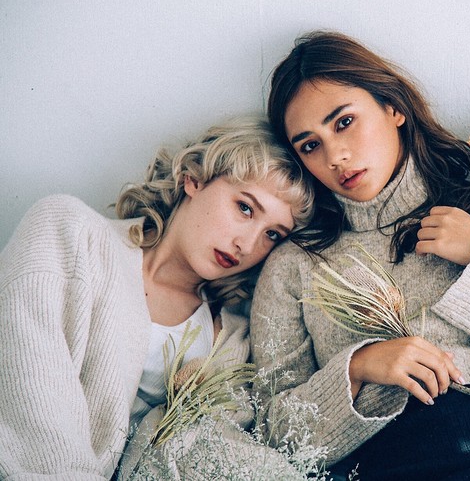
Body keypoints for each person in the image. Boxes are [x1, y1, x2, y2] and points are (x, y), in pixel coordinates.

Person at [251, 31, 470, 479]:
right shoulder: (295, 265)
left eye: (344, 122)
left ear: (394, 108)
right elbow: (276, 436)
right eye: (310, 145)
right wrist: (358, 368)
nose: (336, 156)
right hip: (395, 460)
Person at [0, 117, 314, 479]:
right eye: (245, 208)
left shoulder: (233, 338)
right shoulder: (71, 234)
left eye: (272, 234)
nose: (247, 244)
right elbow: (27, 387)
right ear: (194, 179)